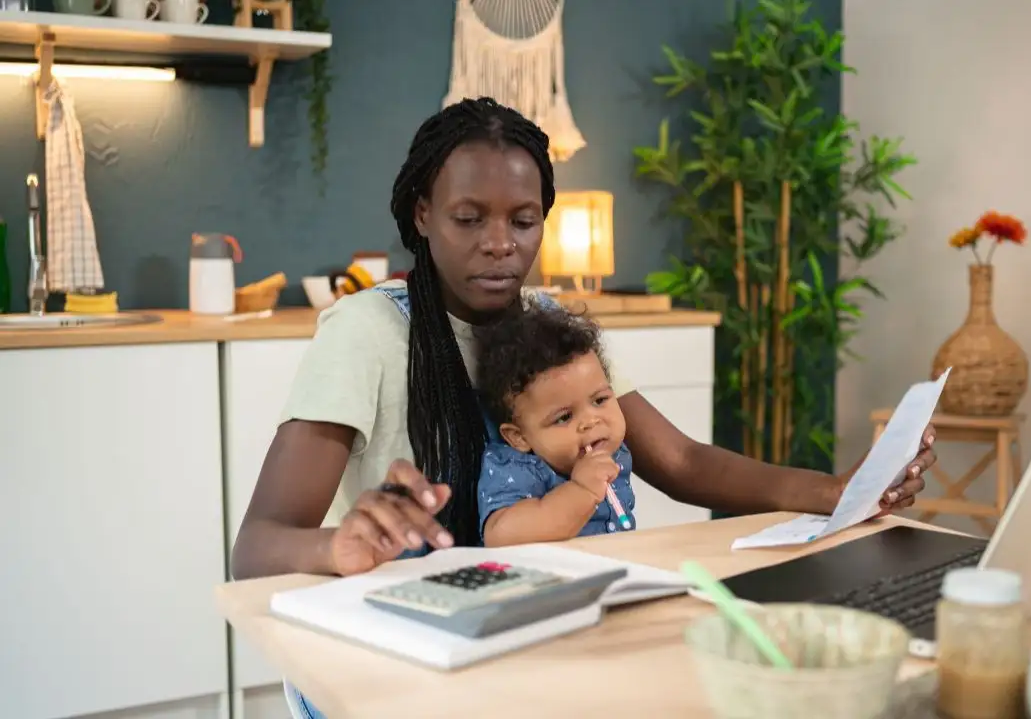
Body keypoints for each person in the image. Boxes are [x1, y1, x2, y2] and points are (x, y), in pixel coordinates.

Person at [232, 94, 933, 719]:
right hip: (401, 654)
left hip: (533, 629)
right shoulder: (367, 333)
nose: (501, 243)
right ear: (423, 214)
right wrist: (336, 545)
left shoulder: (547, 322)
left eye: (524, 220)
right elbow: (258, 544)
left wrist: (839, 493)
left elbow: (680, 460)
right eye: (468, 218)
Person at [473, 301, 637, 546]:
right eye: (564, 417)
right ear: (519, 437)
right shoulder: (518, 468)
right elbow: (501, 535)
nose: (591, 421)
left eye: (600, 400)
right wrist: (581, 491)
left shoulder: (616, 453)